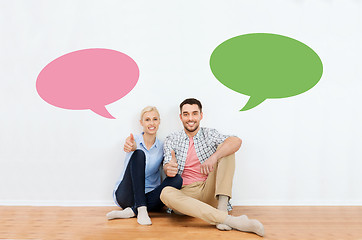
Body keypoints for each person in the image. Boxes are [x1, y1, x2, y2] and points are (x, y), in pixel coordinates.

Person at [160, 98, 264, 236]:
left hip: (209, 189)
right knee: (165, 193)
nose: (190, 118)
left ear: (201, 115)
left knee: (227, 148)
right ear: (181, 117)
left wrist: (214, 157)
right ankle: (231, 220)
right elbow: (167, 165)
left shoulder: (209, 134)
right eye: (186, 114)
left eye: (194, 113)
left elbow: (236, 141)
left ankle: (222, 209)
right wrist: (169, 168)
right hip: (186, 195)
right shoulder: (171, 139)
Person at [107, 106, 183, 225]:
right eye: (147, 120)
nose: (151, 123)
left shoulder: (163, 146)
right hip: (126, 195)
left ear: (159, 122)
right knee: (139, 154)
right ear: (141, 123)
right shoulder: (134, 140)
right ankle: (141, 209)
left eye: (155, 119)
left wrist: (170, 167)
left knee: (177, 180)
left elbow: (167, 167)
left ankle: (132, 211)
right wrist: (131, 147)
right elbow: (130, 143)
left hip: (150, 196)